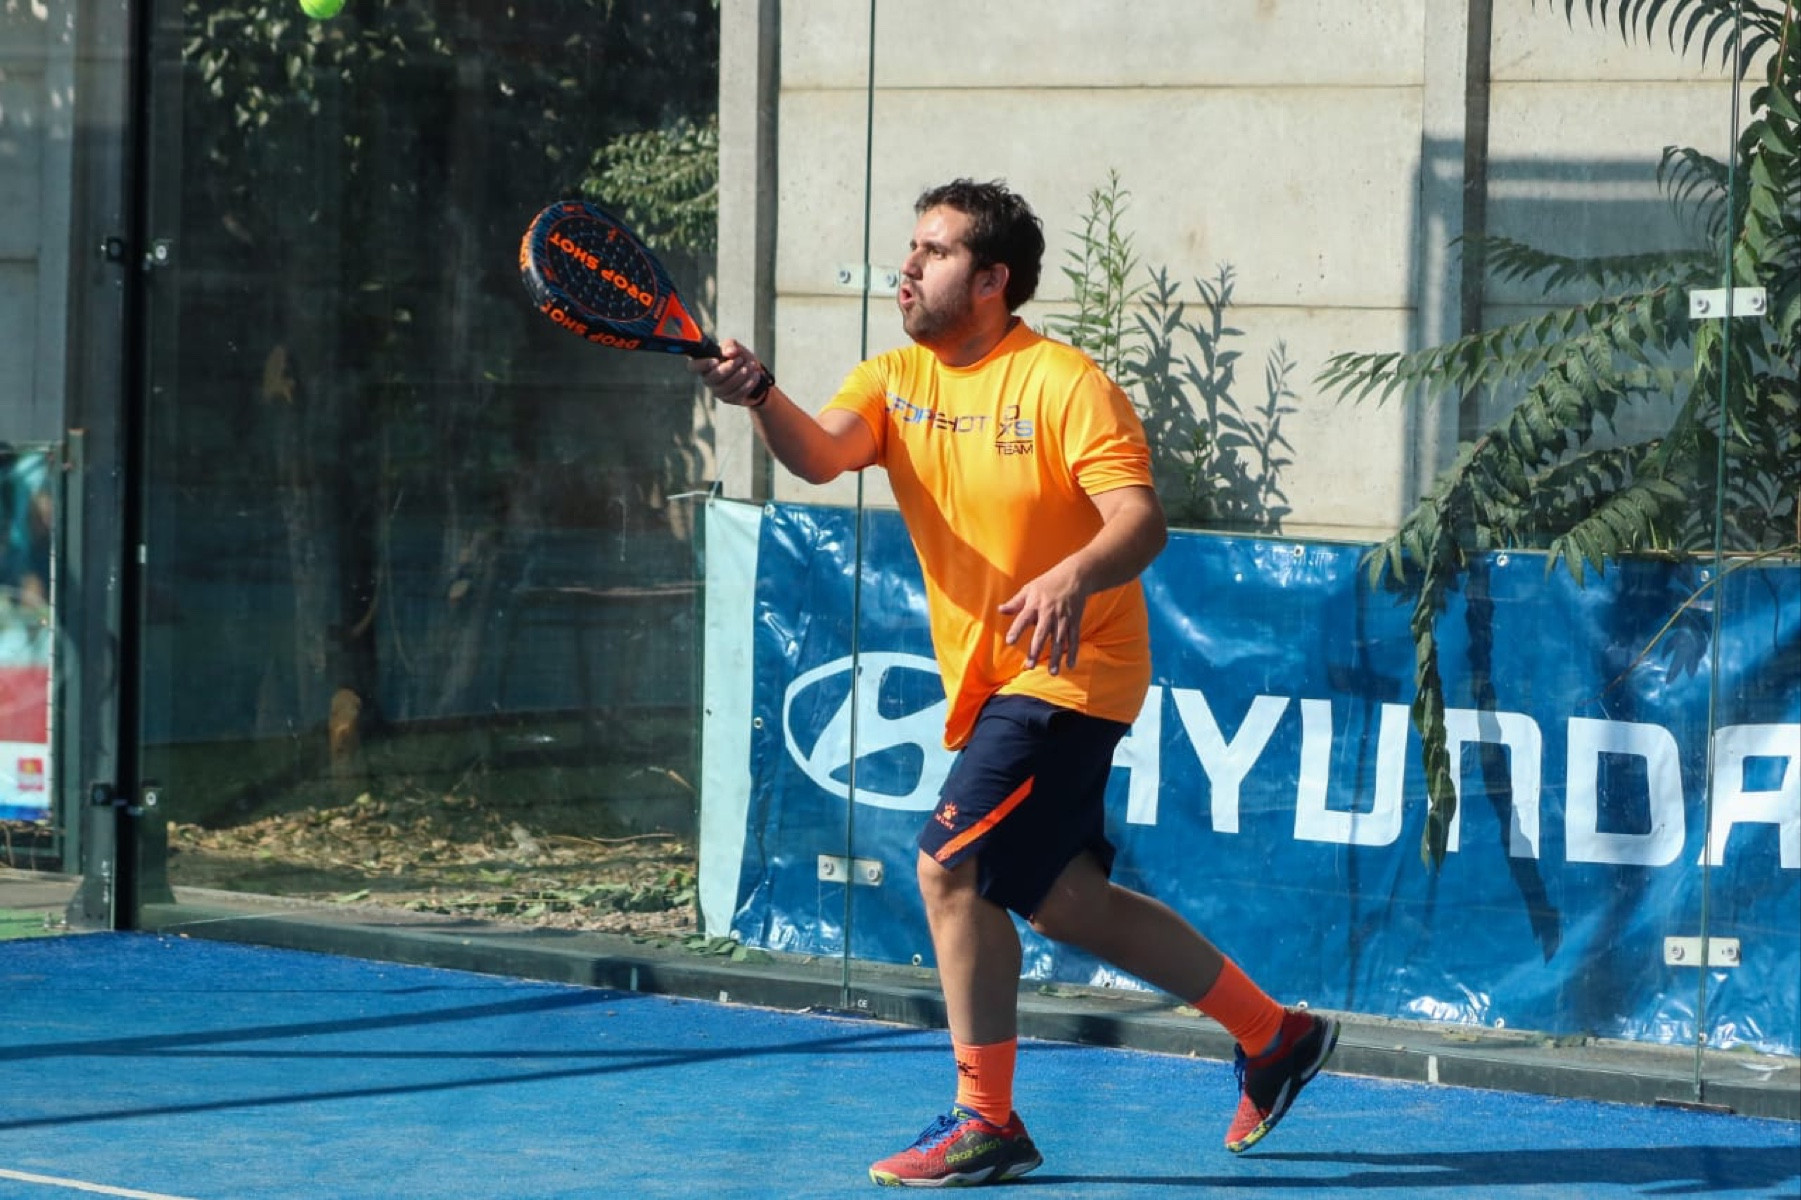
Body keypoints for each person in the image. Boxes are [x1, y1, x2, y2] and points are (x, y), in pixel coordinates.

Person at [691, 178, 1337, 1188]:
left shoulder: (1062, 383)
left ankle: (985, 1120)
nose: (909, 265)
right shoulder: (892, 378)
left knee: (947, 866)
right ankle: (1274, 1033)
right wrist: (760, 393)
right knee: (1065, 900)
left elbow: (1139, 521)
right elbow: (820, 456)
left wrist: (1071, 575)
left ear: (991, 279)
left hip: (1074, 670)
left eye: (935, 251)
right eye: (911, 247)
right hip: (995, 680)